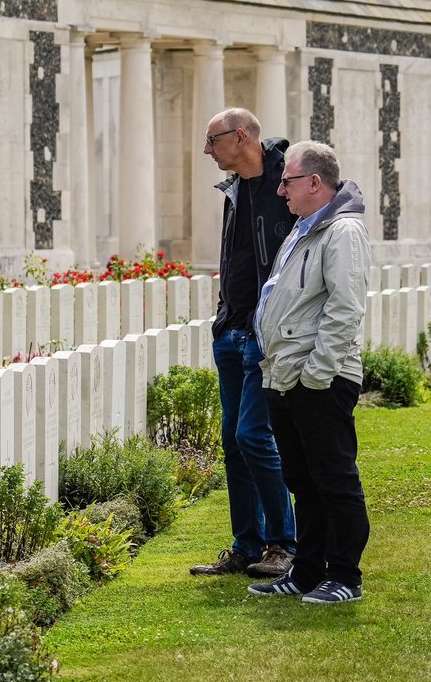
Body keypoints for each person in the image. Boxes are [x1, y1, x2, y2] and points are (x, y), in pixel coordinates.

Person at [247, 140, 371, 604]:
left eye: (288, 181)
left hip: (319, 379)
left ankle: (345, 576)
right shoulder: (304, 230)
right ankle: (306, 573)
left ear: (315, 183)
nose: (281, 190)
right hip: (285, 376)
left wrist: (316, 374)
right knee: (302, 482)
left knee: (334, 480)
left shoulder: (342, 232)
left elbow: (344, 309)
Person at [190, 107, 297, 578]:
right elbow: (234, 257)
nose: (206, 150)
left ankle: (283, 544)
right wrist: (222, 317)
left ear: (240, 137)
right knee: (233, 442)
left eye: (213, 140)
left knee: (254, 435)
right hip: (231, 330)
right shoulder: (234, 190)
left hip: (265, 332)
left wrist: (270, 324)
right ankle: (246, 545)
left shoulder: (286, 185)